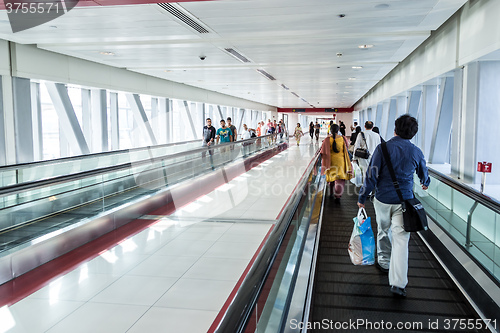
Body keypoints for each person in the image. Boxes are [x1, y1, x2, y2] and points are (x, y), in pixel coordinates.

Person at [357, 115, 430, 298]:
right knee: (401, 240)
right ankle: (398, 283)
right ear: (413, 133)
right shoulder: (416, 152)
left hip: (382, 199)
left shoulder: (383, 149)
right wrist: (425, 182)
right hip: (404, 202)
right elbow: (424, 174)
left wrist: (362, 196)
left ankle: (383, 262)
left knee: (383, 230)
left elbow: (371, 176)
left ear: (395, 129)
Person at [321, 124, 352, 203]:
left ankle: (331, 192)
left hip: (331, 162)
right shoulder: (343, 138)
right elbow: (347, 148)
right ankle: (338, 196)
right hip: (341, 162)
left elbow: (322, 151)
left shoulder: (327, 139)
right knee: (340, 180)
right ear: (338, 130)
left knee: (332, 177)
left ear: (330, 130)